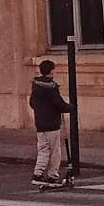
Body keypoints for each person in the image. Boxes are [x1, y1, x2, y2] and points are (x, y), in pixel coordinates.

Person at [29, 59, 72, 187]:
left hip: (40, 123)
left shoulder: (36, 86)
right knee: (54, 151)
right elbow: (58, 104)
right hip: (52, 123)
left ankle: (38, 173)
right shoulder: (52, 87)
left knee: (43, 149)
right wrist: (69, 107)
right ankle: (53, 175)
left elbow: (32, 103)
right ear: (51, 70)